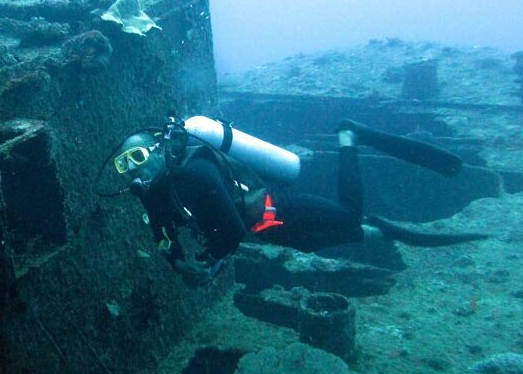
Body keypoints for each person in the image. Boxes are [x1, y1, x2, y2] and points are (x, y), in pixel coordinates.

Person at [104, 116, 488, 285]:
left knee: (347, 213)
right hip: (266, 229)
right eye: (124, 165)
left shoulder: (194, 171)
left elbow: (233, 233)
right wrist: (175, 260)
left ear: (155, 151)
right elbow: (160, 230)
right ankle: (379, 231)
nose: (133, 171)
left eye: (137, 158)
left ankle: (348, 135)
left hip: (273, 209)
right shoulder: (149, 188)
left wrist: (206, 266)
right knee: (312, 242)